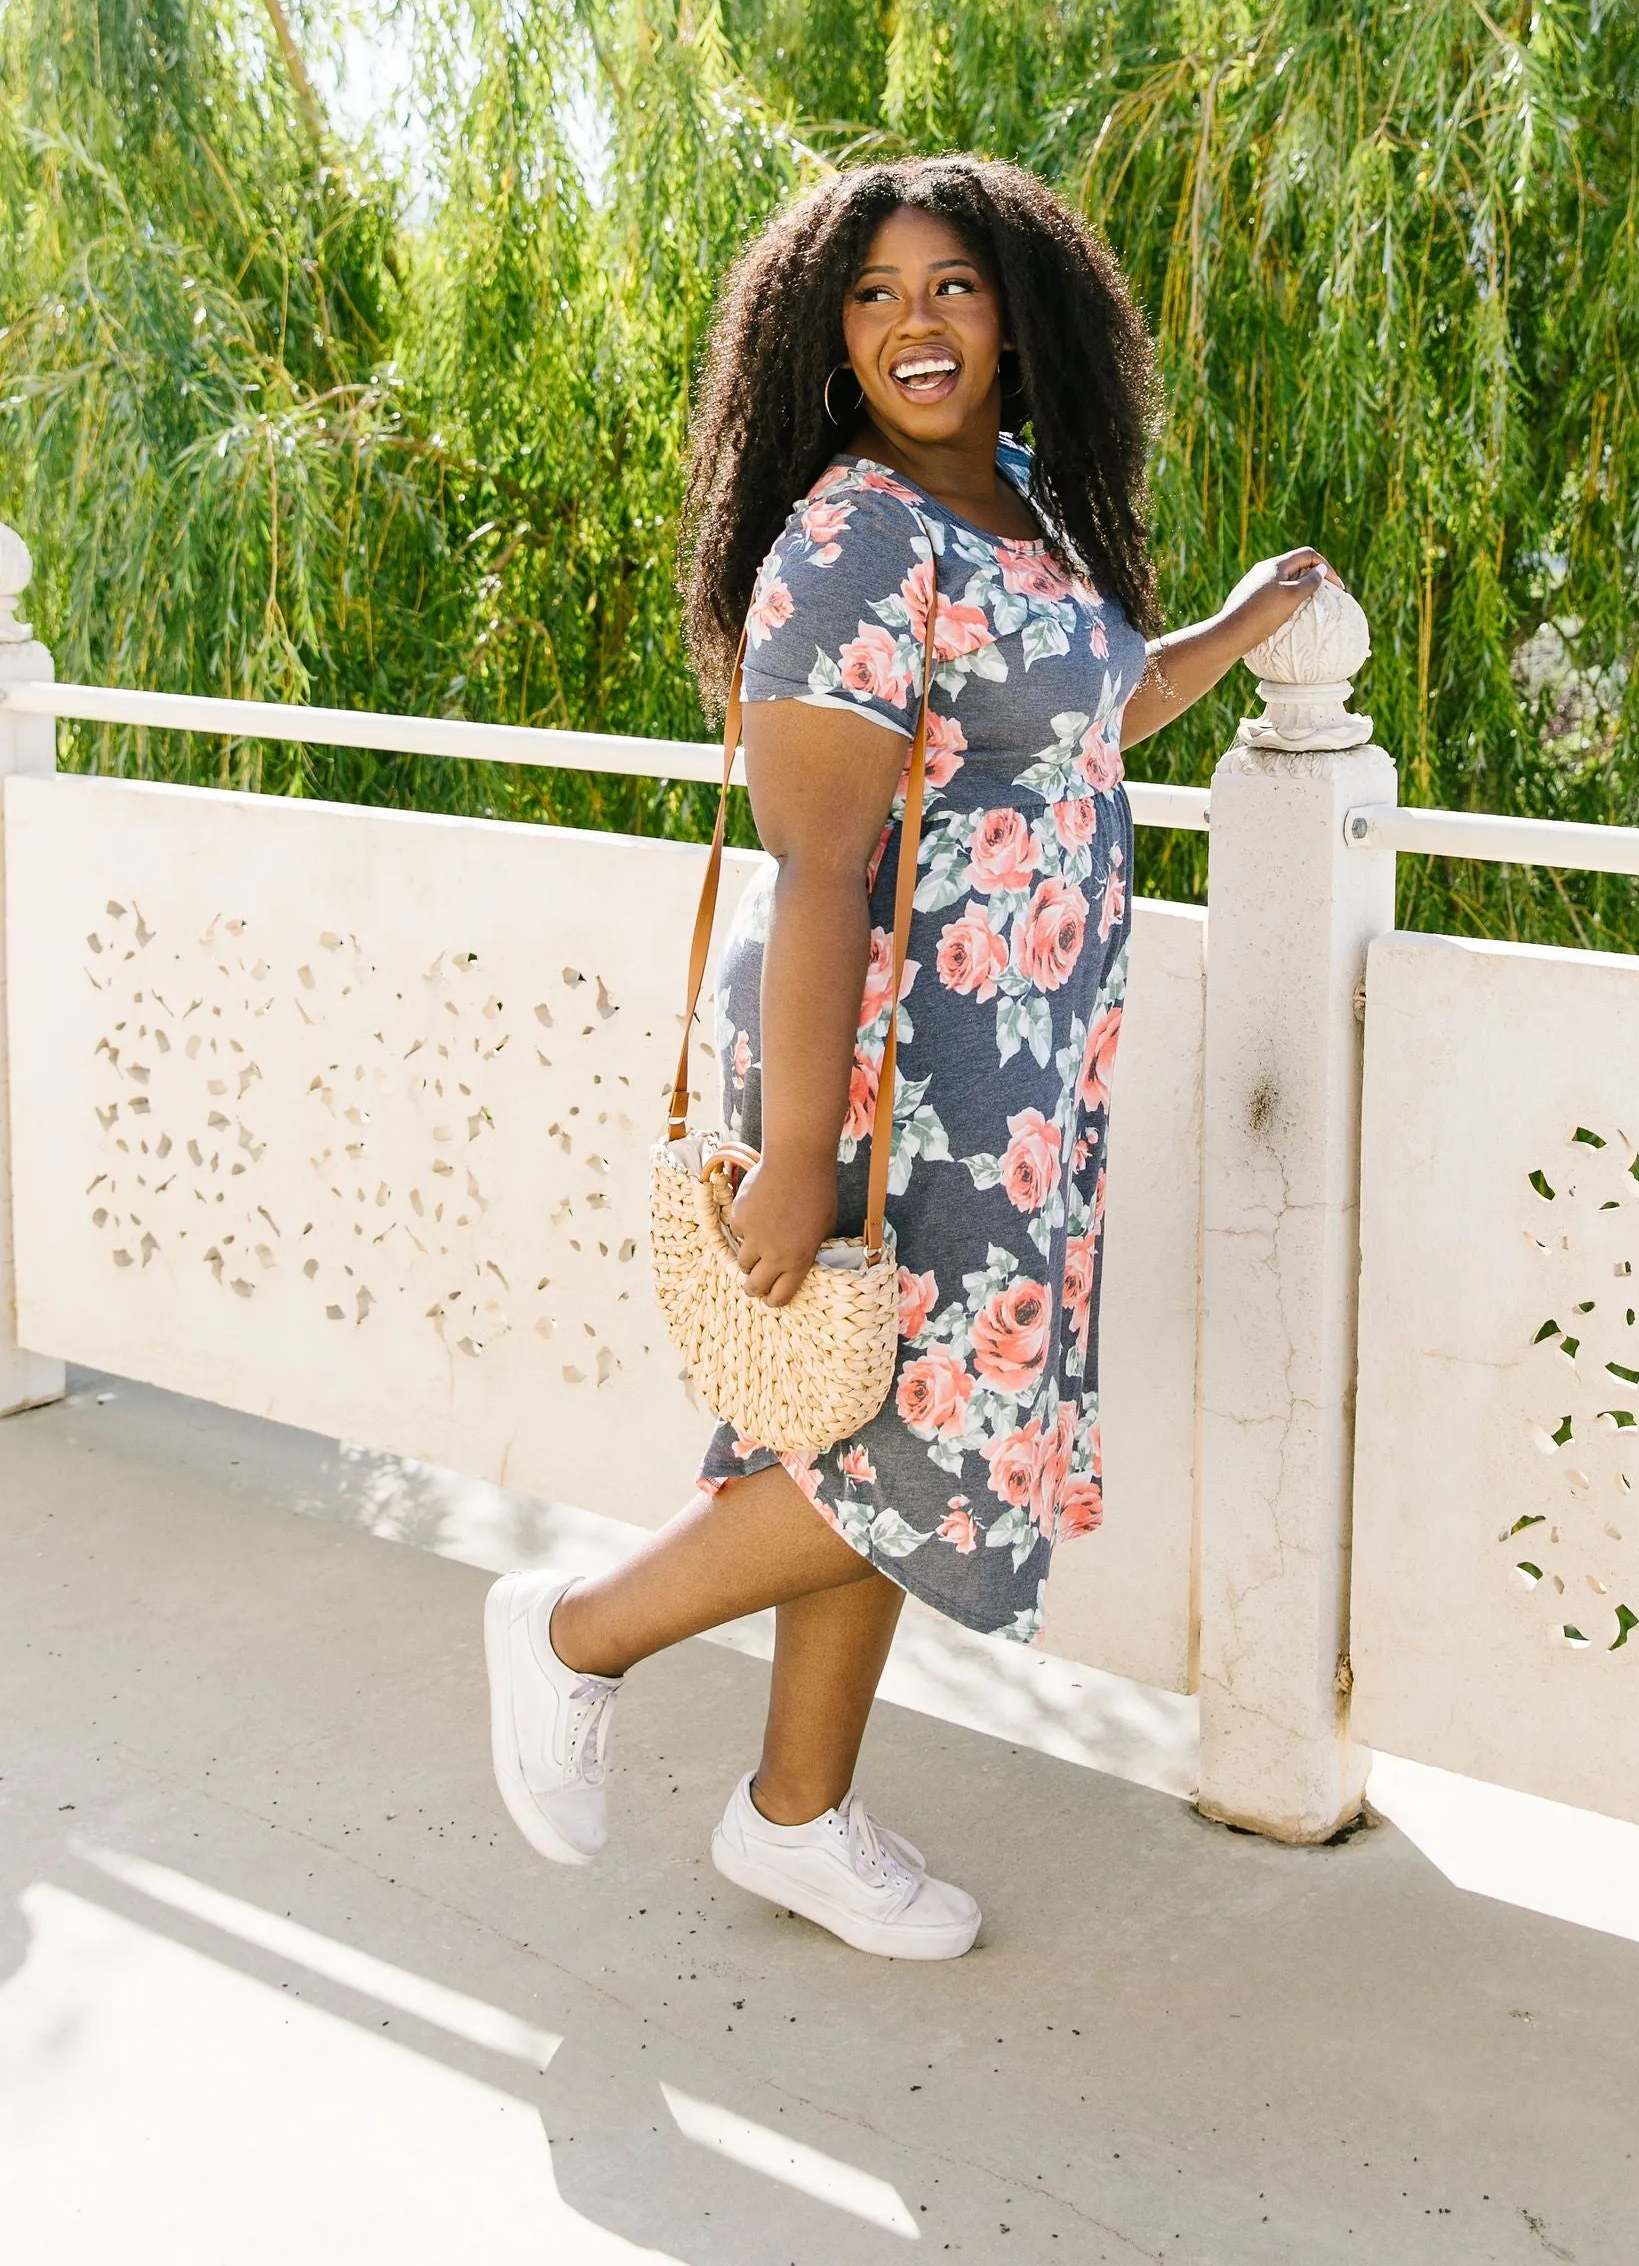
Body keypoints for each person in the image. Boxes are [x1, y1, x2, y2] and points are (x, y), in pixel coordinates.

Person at [484, 155, 1335, 1959]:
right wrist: (799, 1155)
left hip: (1011, 1088)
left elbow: (1080, 708)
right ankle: (575, 1626)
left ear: (1021, 316)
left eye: (950, 285)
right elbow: (814, 867)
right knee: (934, 1449)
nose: (914, 324)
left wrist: (1236, 630)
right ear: (825, 335)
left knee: (850, 1430)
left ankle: (796, 1814)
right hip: (883, 1086)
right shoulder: (856, 537)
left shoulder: (1021, 508)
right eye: (871, 295)